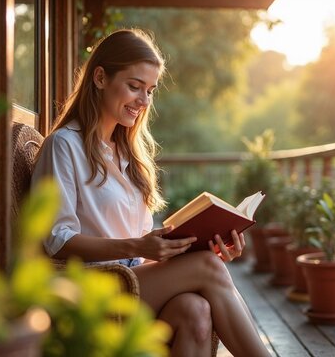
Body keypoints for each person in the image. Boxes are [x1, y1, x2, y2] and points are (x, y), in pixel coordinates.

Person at [31, 28, 271, 357]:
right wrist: (138, 246)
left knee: (195, 311)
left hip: (133, 277)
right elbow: (57, 240)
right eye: (134, 86)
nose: (144, 101)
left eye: (150, 91)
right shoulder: (63, 146)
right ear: (100, 78)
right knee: (209, 270)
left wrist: (189, 246)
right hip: (92, 287)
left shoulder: (129, 155)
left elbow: (142, 243)